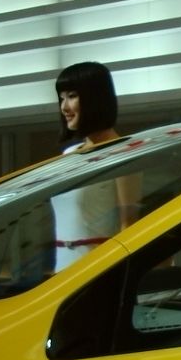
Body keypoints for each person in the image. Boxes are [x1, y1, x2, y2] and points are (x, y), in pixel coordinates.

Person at [49, 61, 139, 271]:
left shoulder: (123, 153)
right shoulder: (69, 154)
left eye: (72, 96)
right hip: (62, 269)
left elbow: (129, 225)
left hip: (98, 269)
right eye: (62, 98)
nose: (64, 107)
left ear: (95, 98)